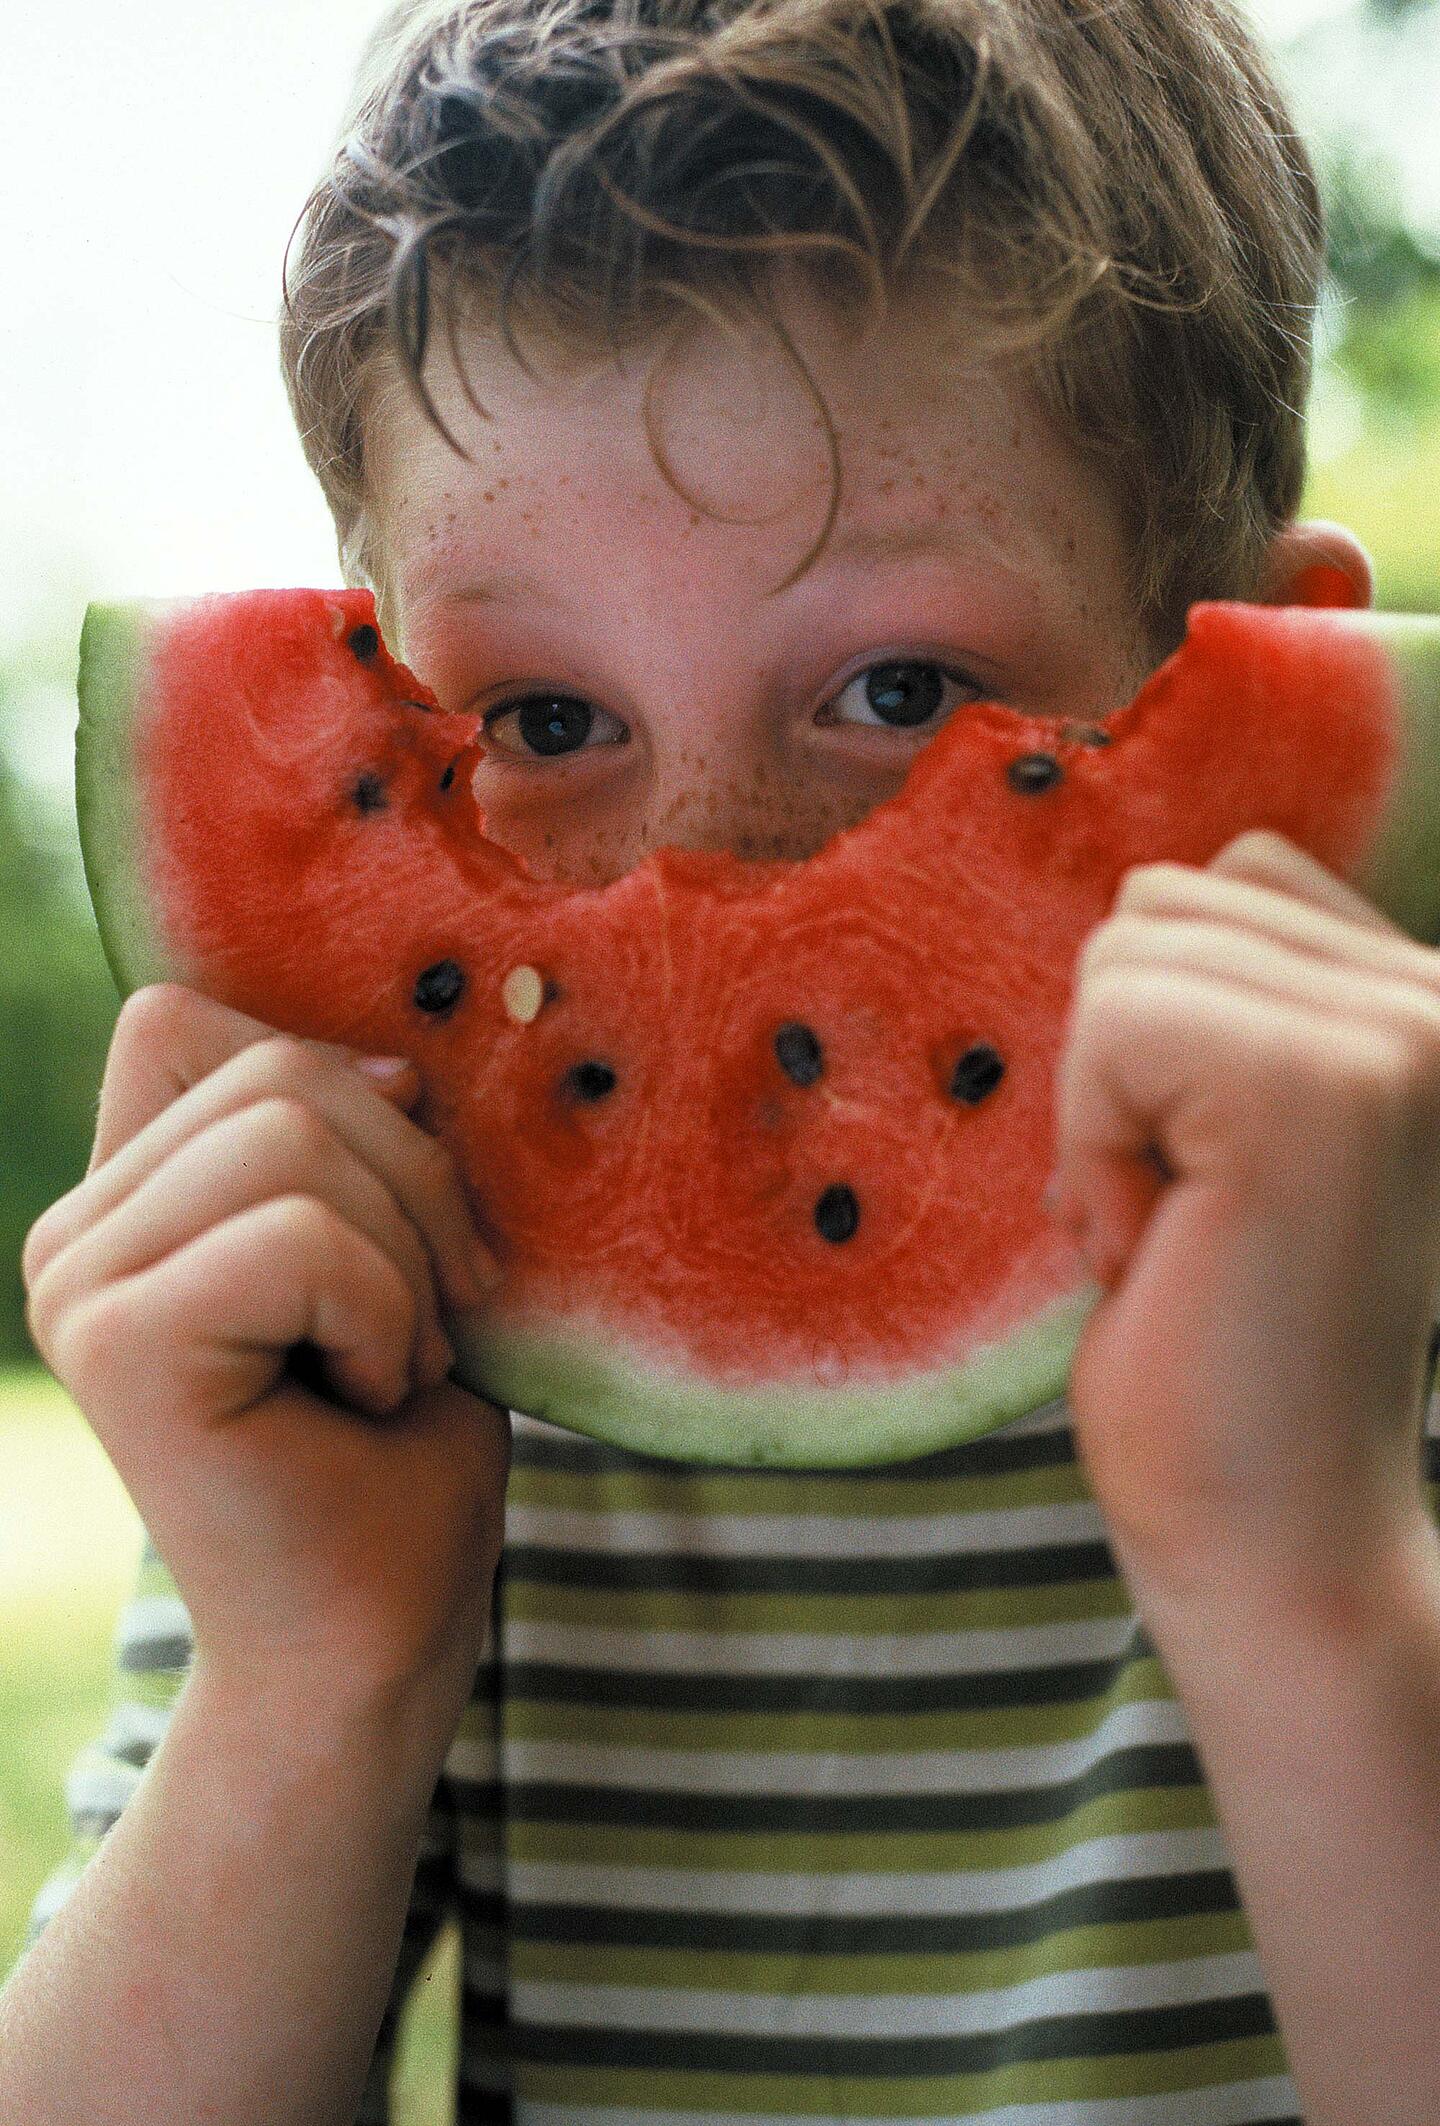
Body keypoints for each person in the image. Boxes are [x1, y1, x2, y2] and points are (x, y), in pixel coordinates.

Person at [6, 0, 1440, 2119]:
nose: (701, 875)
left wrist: (1312, 1568)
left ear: (1261, 673)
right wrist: (314, 1674)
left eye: (894, 683)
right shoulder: (388, 1375)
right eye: (544, 723)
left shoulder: (1383, 1298)